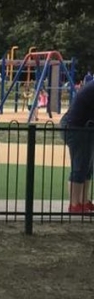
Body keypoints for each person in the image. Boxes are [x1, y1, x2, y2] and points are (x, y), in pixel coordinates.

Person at [60, 80, 94, 213]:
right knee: (80, 166)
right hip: (76, 127)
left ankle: (83, 201)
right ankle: (75, 204)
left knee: (87, 167)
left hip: (83, 127)